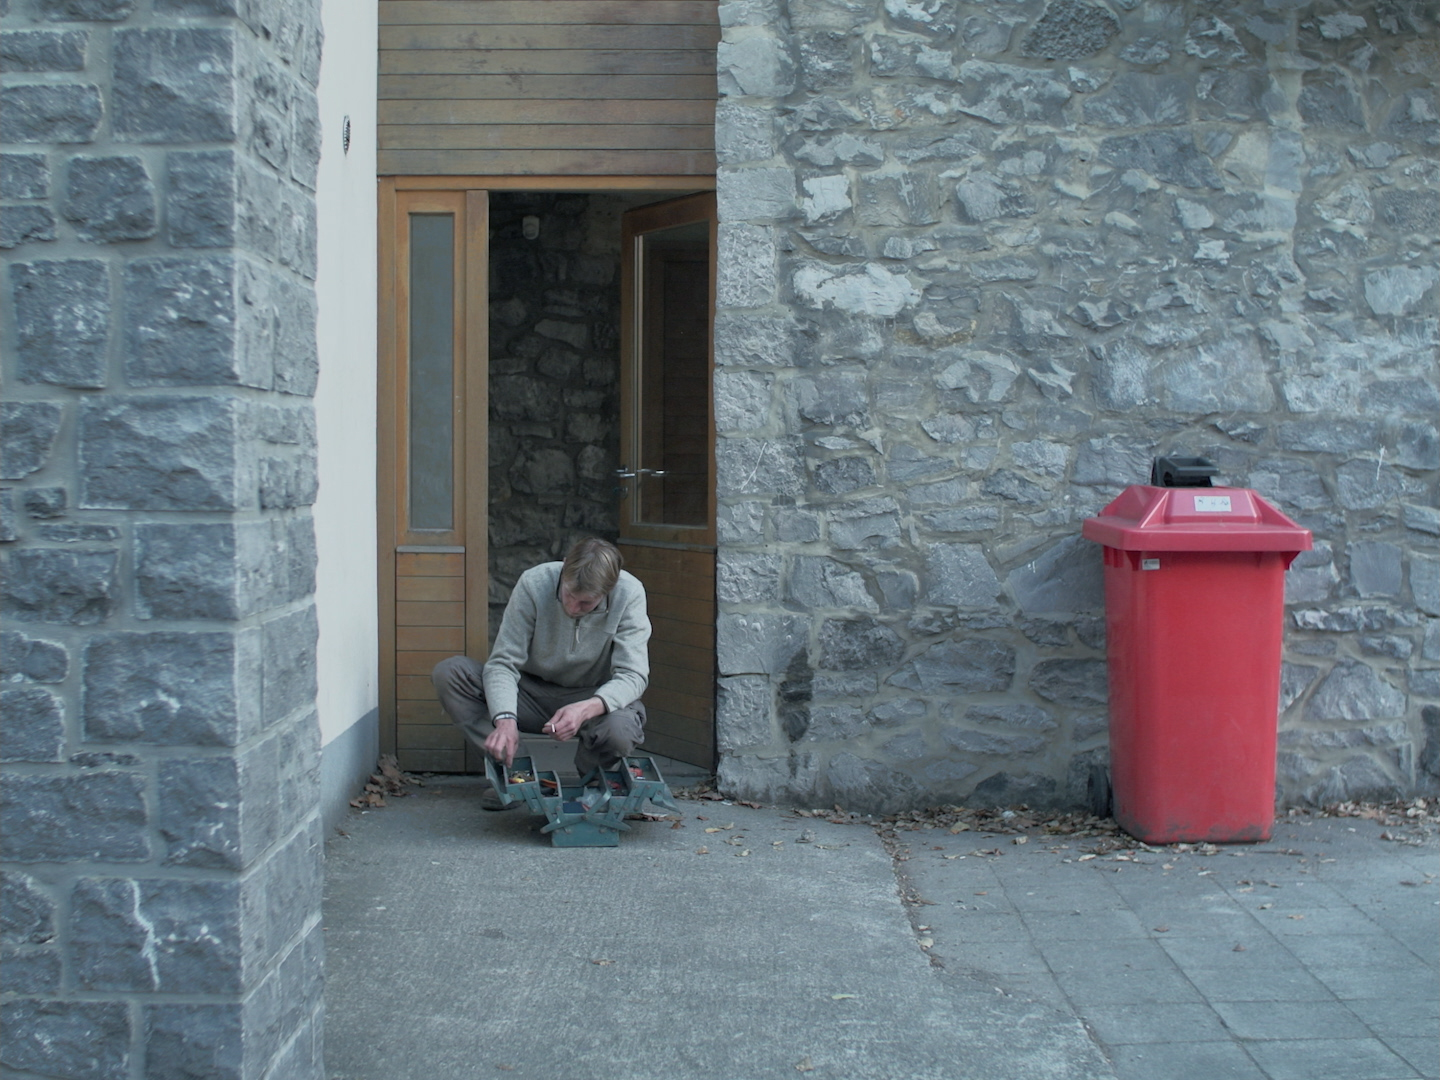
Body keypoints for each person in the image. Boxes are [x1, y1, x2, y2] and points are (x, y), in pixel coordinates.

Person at [432, 537, 650, 803]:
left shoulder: (629, 593)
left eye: (586, 603)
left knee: (621, 729)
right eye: (568, 594)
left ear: (609, 589)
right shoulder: (534, 582)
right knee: (451, 674)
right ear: (564, 567)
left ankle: (593, 785)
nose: (572, 608)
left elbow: (633, 675)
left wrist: (585, 709)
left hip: (593, 697)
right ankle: (517, 777)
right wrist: (505, 720)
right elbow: (503, 663)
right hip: (530, 693)